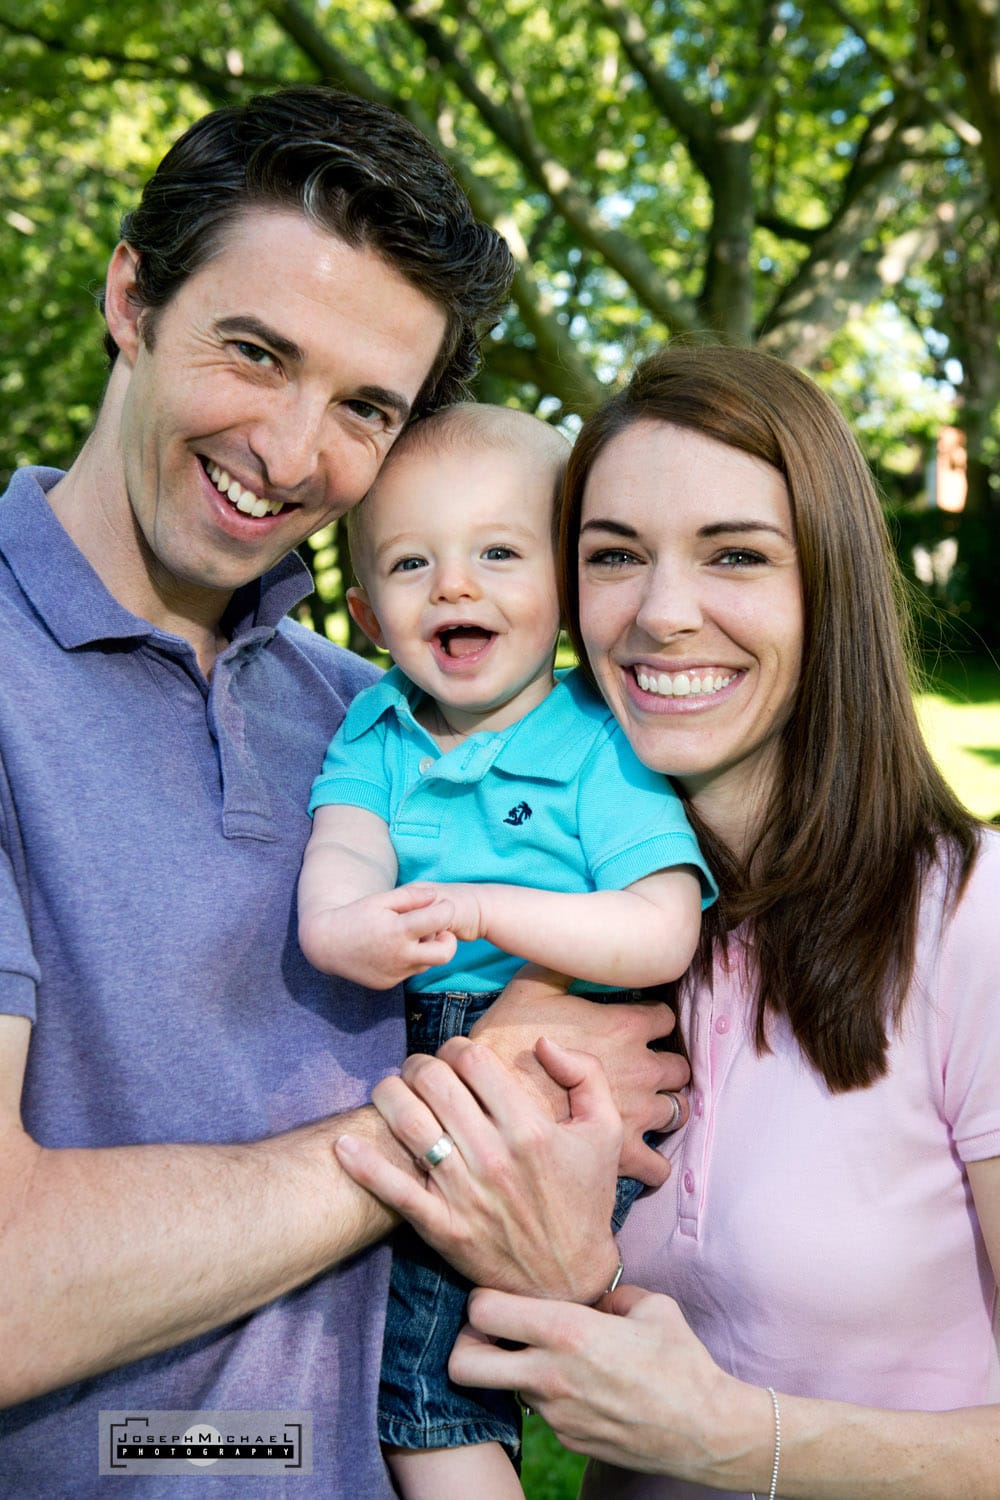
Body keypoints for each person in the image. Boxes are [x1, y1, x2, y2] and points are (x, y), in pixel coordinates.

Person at [0, 88, 692, 1497]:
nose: (294, 449)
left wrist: (559, 1228)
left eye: (365, 406)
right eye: (256, 352)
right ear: (133, 297)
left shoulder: (372, 717)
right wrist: (462, 1105)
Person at [336, 345, 1000, 1498]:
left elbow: (694, 1411)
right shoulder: (579, 949)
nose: (662, 614)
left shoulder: (971, 923)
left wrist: (736, 1438)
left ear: (829, 582)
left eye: (734, 554)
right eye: (613, 557)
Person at [298, 402, 717, 1499]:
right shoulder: (376, 727)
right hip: (417, 1047)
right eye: (410, 561)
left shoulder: (595, 740)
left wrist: (484, 910)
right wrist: (340, 925)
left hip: (555, 1070)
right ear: (365, 611)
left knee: (426, 1385)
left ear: (565, 597)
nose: (454, 584)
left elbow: (660, 925)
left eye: (497, 552)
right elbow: (341, 854)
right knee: (394, 1344)